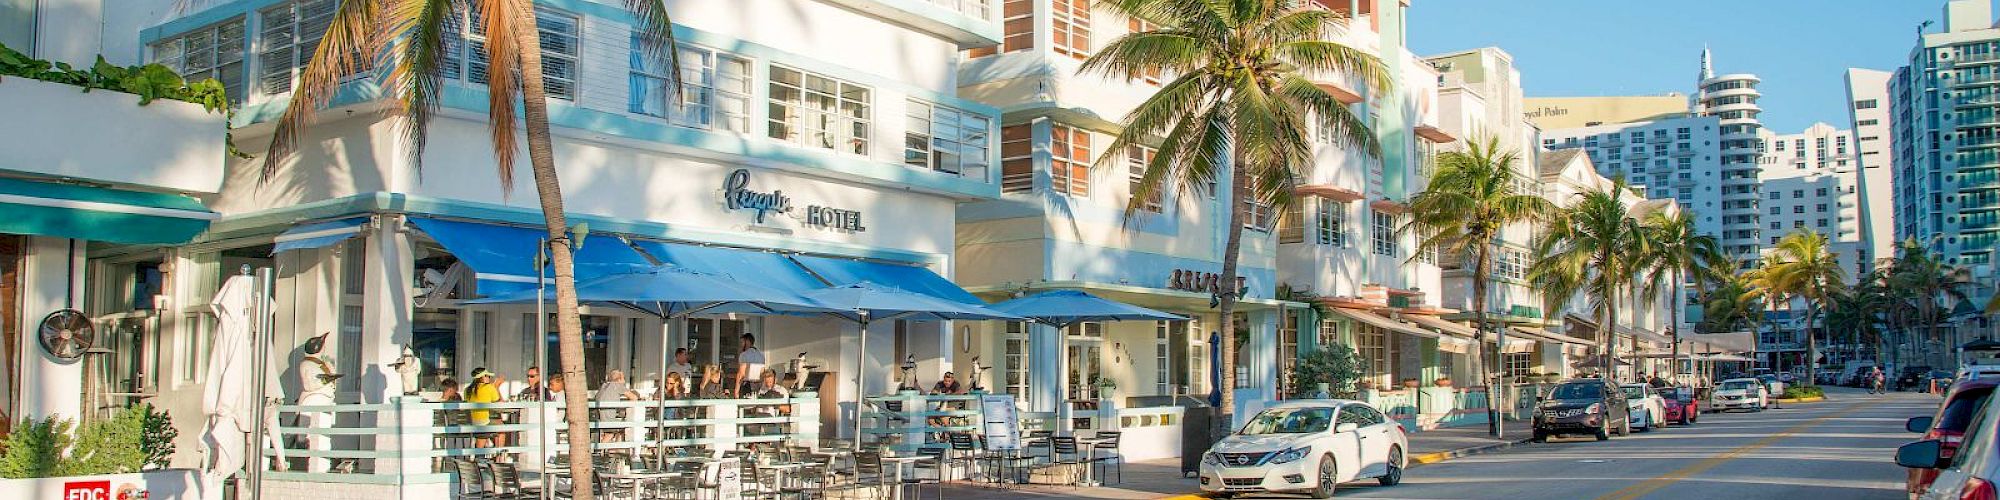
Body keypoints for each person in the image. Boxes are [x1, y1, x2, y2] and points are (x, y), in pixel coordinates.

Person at [464, 368, 503, 448]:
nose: (489, 378)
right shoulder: (489, 387)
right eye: (487, 376)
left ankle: (481, 455)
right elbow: (499, 402)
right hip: (484, 422)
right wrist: (497, 387)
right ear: (481, 377)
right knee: (501, 428)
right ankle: (500, 457)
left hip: (472, 422)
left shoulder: (467, 390)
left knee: (489, 426)